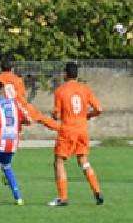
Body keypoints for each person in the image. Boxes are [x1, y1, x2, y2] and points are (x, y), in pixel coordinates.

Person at [48, 62, 103, 207]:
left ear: (66, 74)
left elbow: (57, 114)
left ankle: (63, 197)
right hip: (82, 130)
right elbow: (99, 109)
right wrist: (88, 116)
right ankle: (97, 191)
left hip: (67, 130)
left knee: (59, 162)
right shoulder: (85, 89)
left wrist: (53, 115)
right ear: (77, 74)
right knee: (84, 161)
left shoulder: (60, 91)